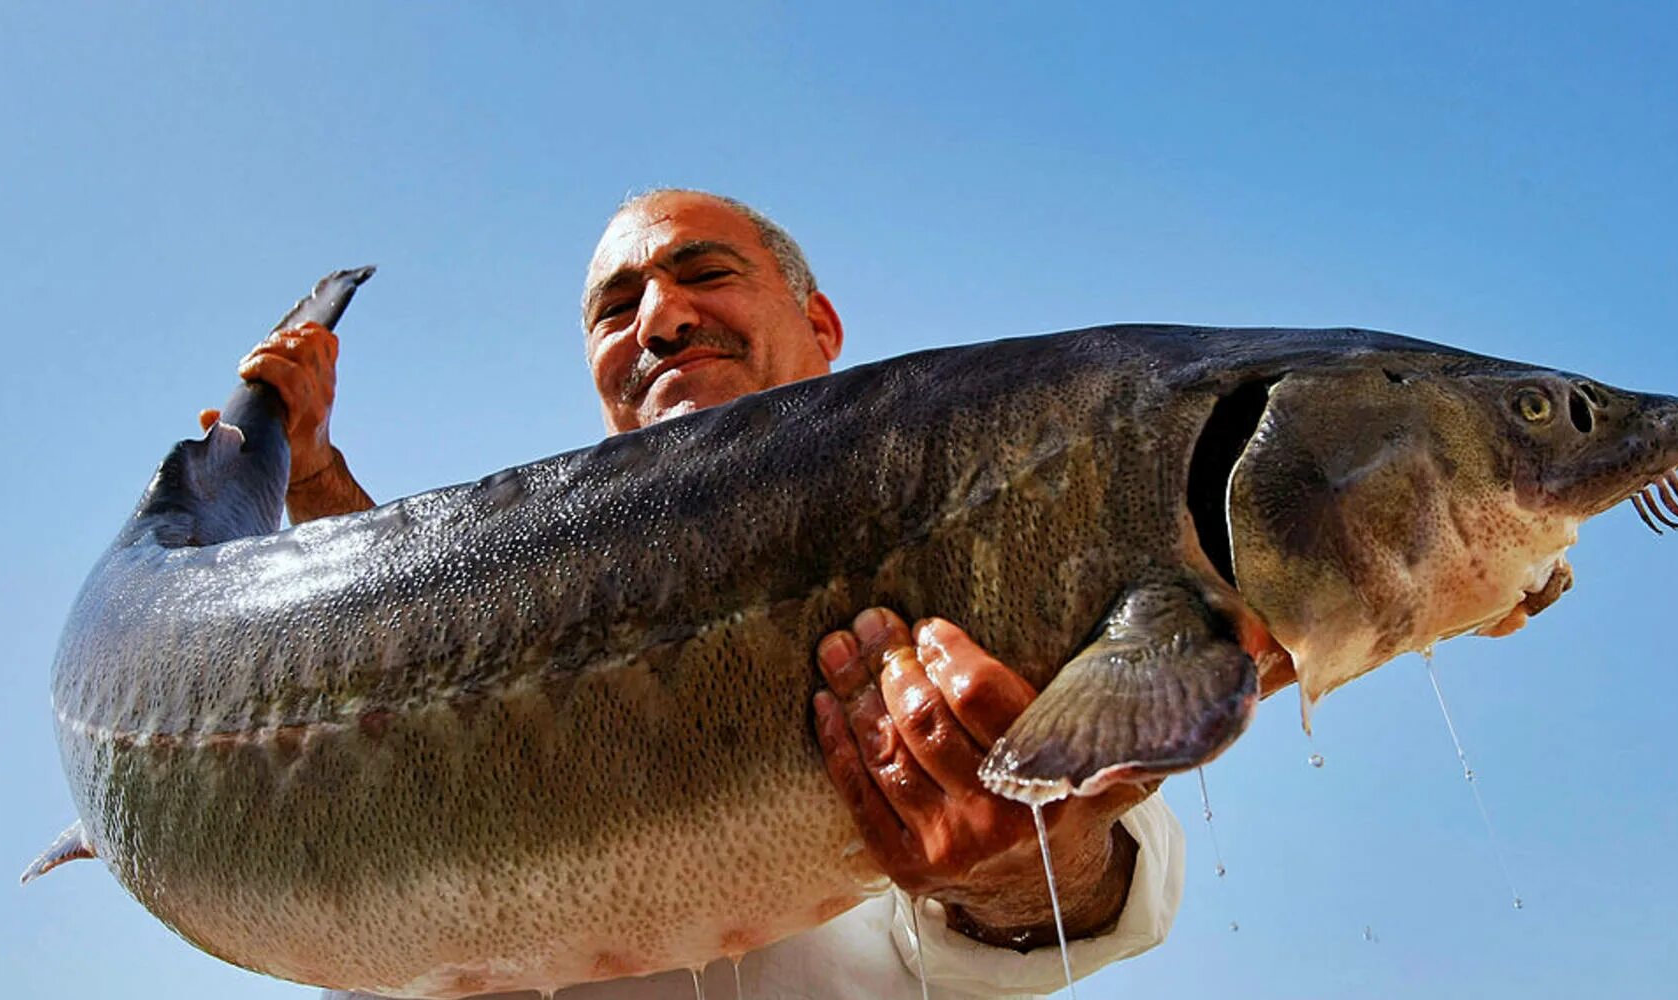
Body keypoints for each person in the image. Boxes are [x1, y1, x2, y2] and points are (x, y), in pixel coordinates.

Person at [209, 190, 1185, 999]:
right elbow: (424, 671)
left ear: (820, 324)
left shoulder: (978, 528)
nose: (662, 318)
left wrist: (1027, 871)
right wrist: (312, 482)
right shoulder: (540, 576)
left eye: (706, 273)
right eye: (614, 307)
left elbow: (1106, 886)